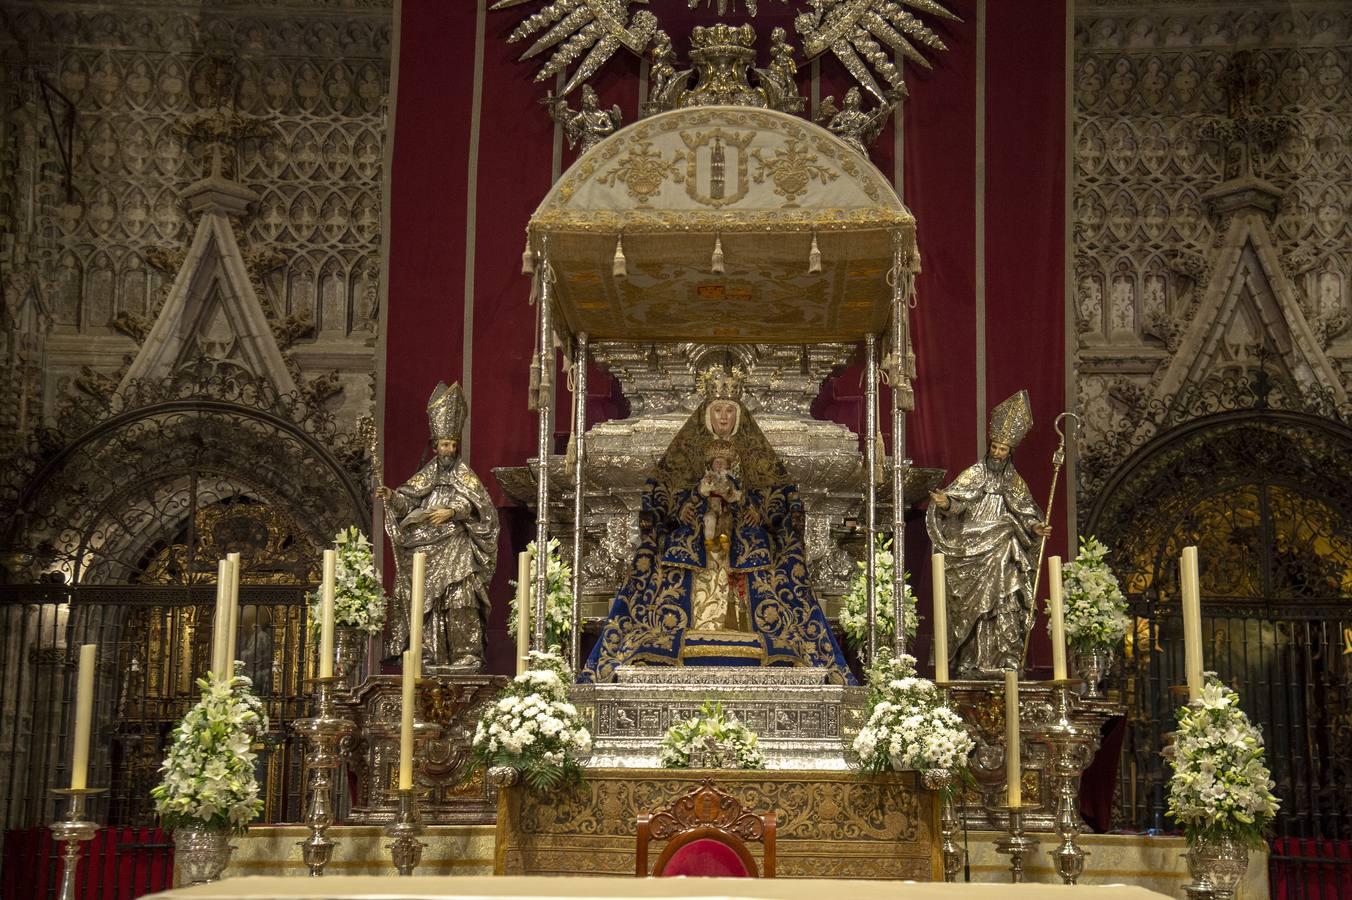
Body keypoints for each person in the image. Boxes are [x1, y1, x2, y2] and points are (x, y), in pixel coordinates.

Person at [581, 368, 855, 684]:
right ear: (708, 415)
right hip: (696, 541)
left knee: (764, 566)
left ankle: (763, 637)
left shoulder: (758, 457)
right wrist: (686, 505)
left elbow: (783, 503)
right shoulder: (684, 453)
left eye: (729, 411)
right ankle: (675, 636)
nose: (723, 418)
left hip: (744, 543)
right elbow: (658, 500)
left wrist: (756, 510)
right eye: (718, 411)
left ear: (737, 416)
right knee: (668, 561)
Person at [926, 390, 1051, 677]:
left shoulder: (1015, 483)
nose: (996, 453)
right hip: (971, 547)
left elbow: (1026, 511)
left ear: (1010, 452)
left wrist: (1035, 527)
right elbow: (958, 500)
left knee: (1004, 599)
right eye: (994, 447)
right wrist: (947, 503)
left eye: (1002, 449)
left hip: (1002, 547)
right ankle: (969, 659)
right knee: (970, 607)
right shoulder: (974, 473)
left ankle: (1003, 657)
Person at [378, 382, 499, 672]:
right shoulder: (426, 475)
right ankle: (427, 653)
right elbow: (407, 502)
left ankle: (465, 654)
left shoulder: (464, 476)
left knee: (460, 597)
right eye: (445, 444)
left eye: (454, 444)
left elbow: (482, 508)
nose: (450, 449)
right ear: (435, 446)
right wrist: (392, 496)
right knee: (426, 602)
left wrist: (453, 510)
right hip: (426, 550)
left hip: (457, 547)